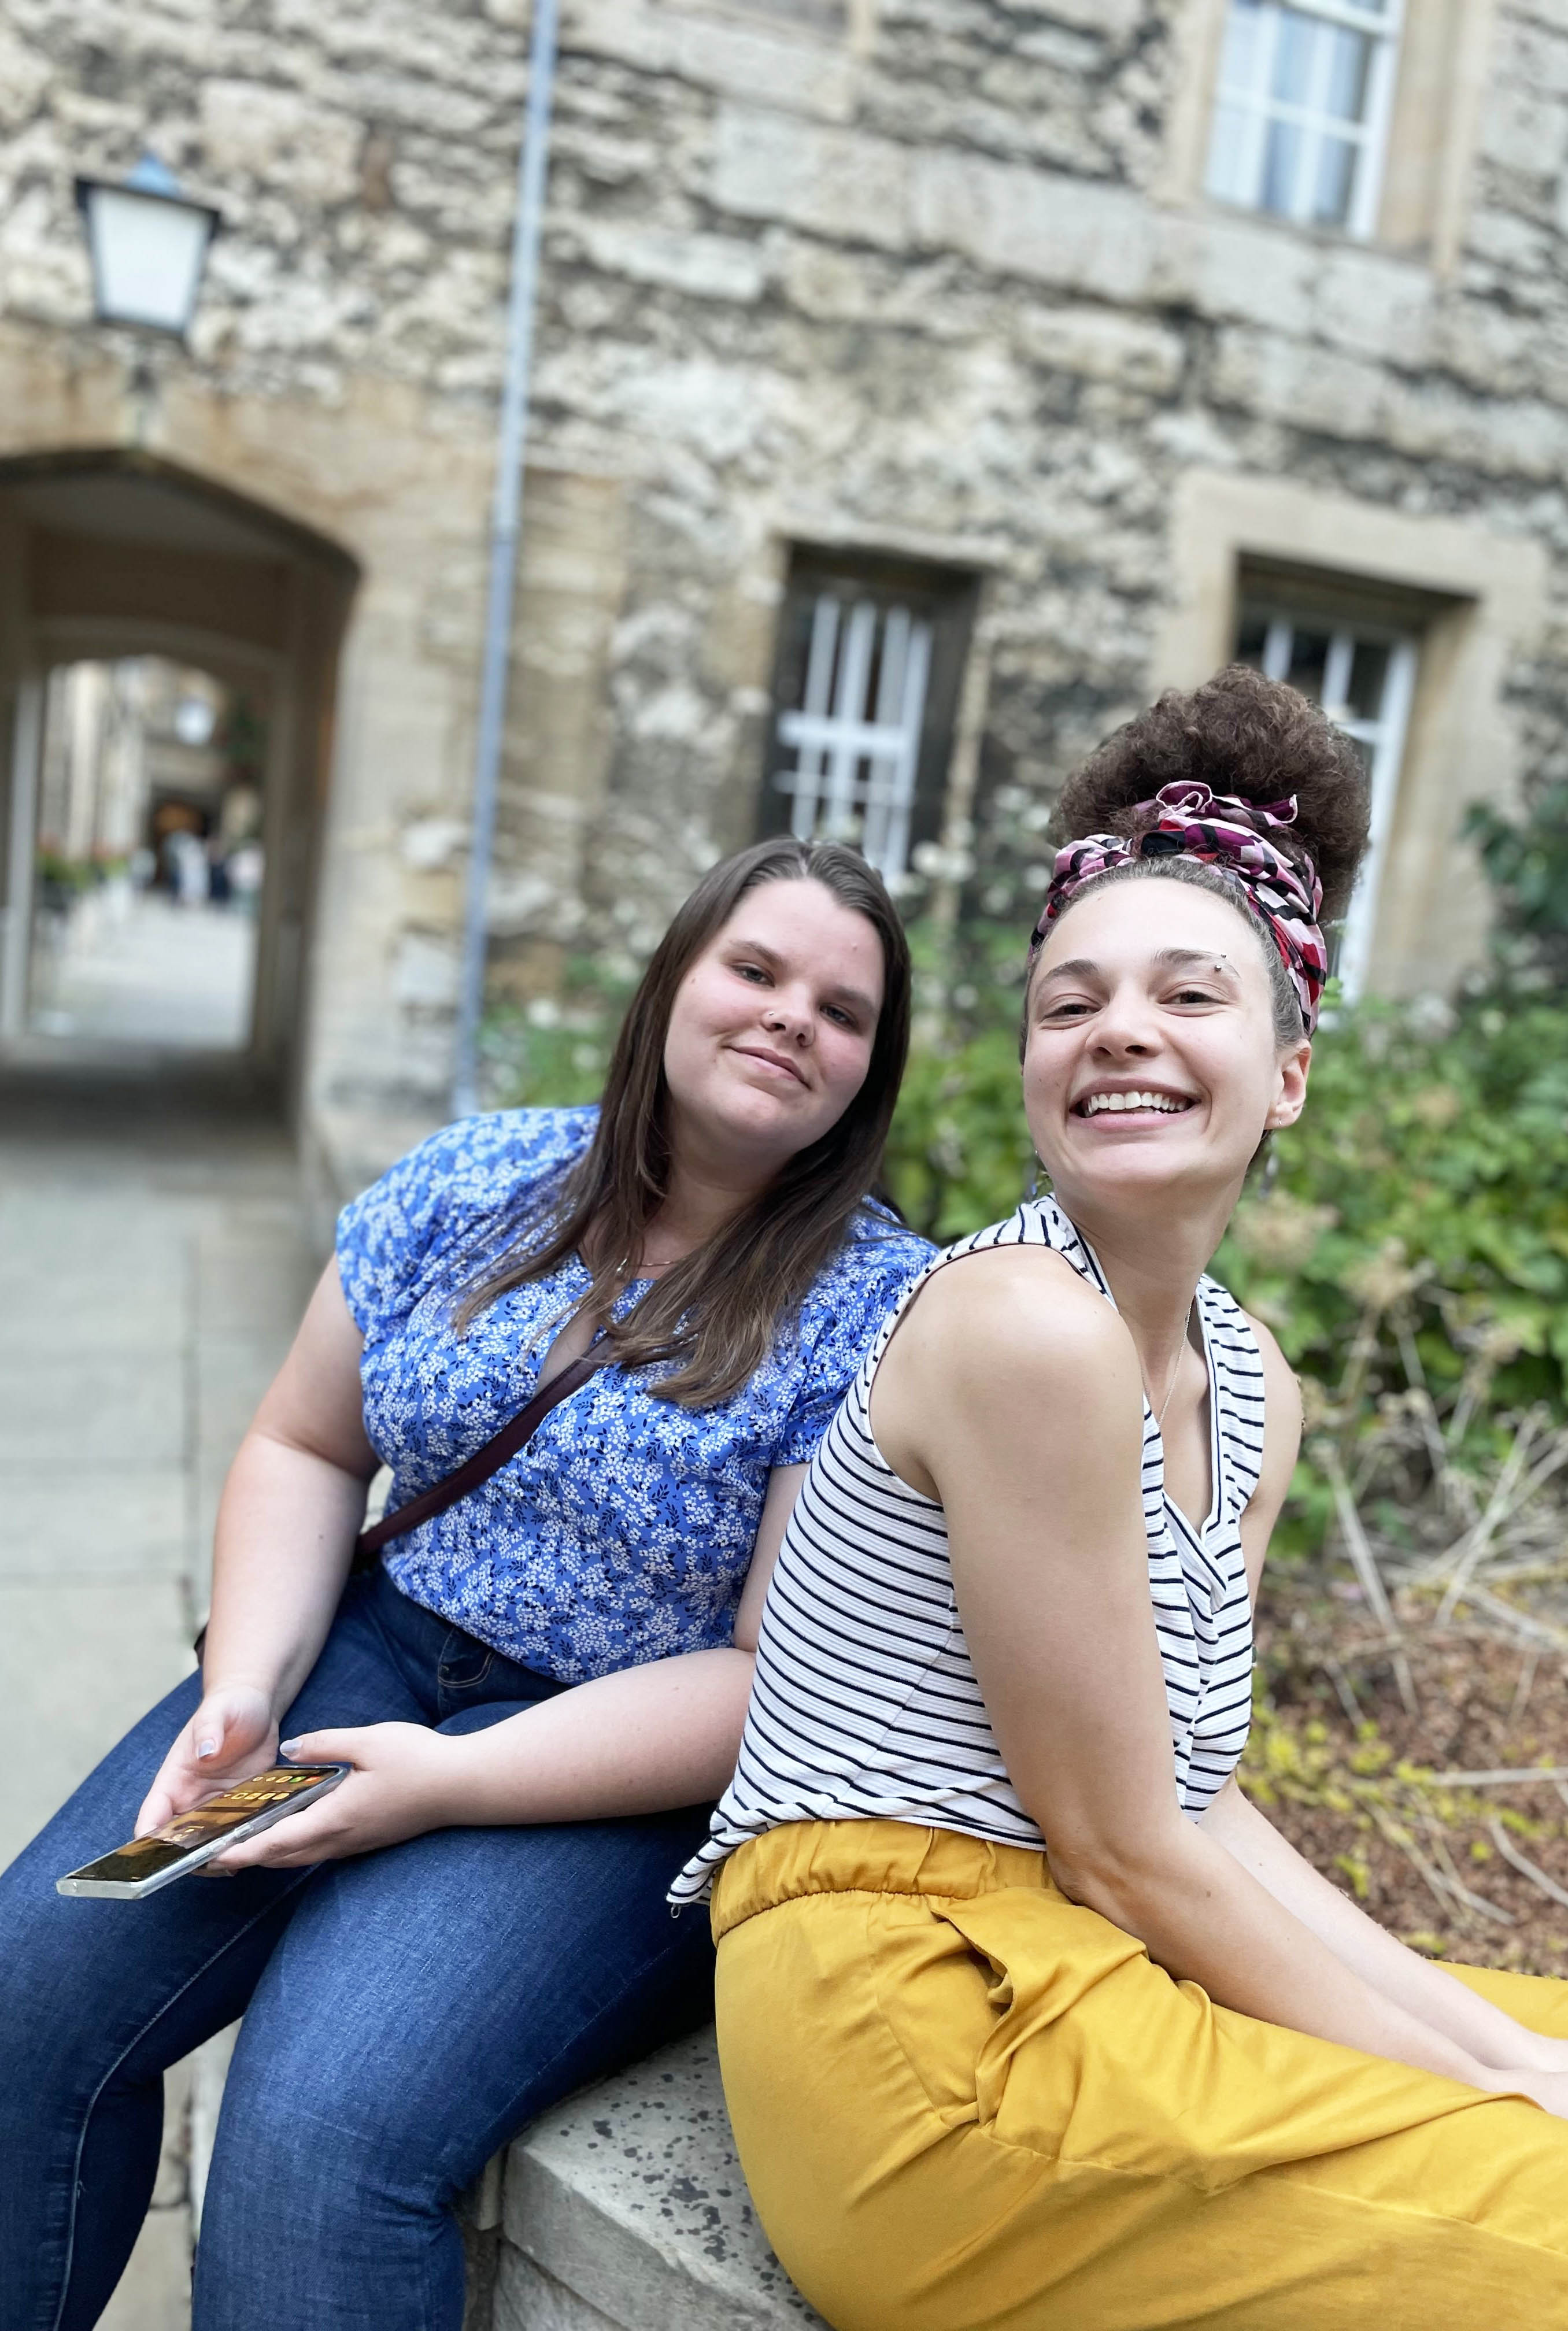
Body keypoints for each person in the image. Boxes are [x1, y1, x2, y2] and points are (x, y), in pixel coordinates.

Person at [679, 670, 1568, 2330]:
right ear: (1030, 1064)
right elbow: (1124, 1844)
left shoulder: (1251, 1386)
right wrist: (1505, 2087)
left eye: (1190, 994)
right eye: (1068, 1002)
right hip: (925, 2021)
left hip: (1085, 1945)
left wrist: (1507, 2056)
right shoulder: (1021, 1328)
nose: (1121, 1034)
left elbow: (1193, 1807)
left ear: (1289, 1074)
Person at [0, 837, 932, 2331]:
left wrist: (449, 1782)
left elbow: (775, 1676)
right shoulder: (481, 1176)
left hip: (617, 1777)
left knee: (318, 2141)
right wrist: (246, 1682)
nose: (789, 1020)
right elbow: (307, 1445)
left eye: (840, 1011)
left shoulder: (882, 1311)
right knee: (29, 1994)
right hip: (369, 1649)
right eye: (754, 971)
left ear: (867, 1073)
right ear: (675, 982)